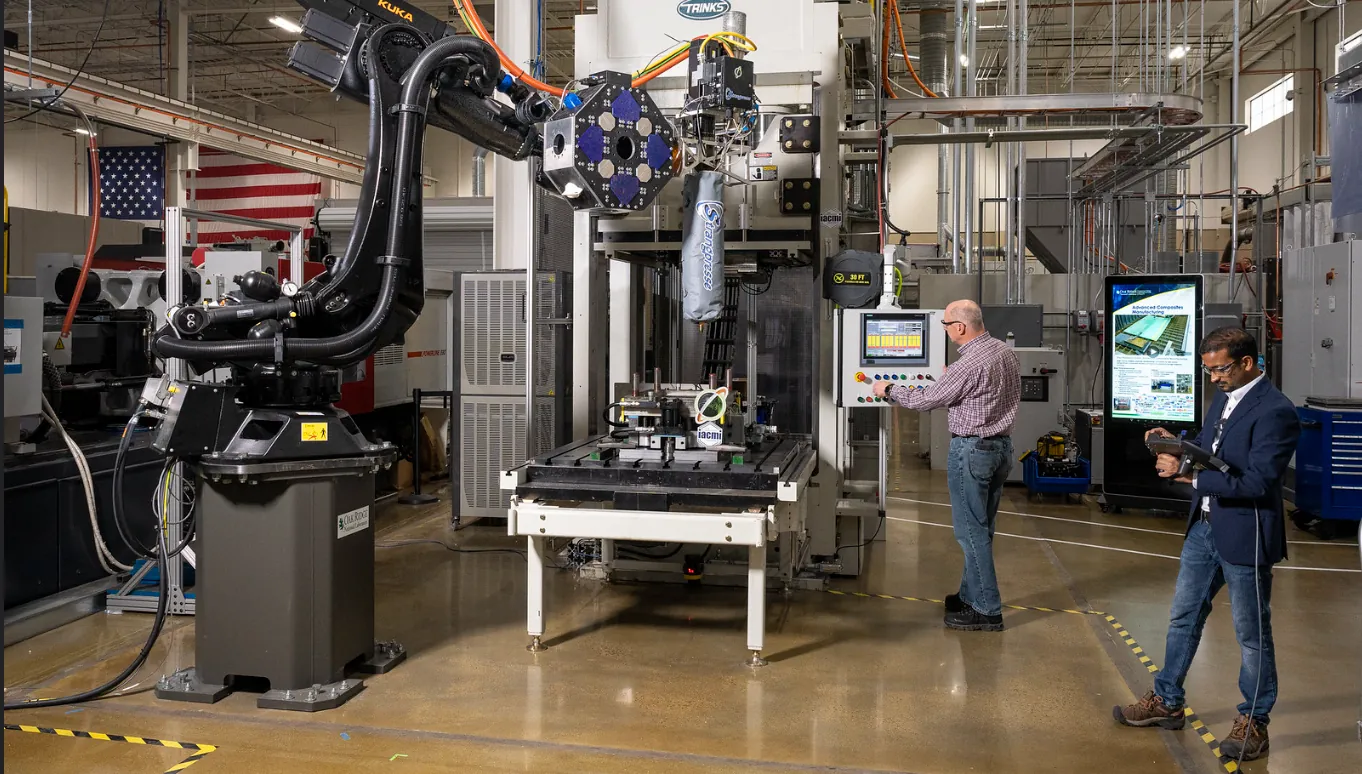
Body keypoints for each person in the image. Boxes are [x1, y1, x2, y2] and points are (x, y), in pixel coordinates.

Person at [1114, 327, 1300, 762]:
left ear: (1247, 363)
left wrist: (1191, 477)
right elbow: (1212, 447)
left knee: (1251, 635)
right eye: (1208, 370)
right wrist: (1178, 446)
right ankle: (1167, 701)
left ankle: (1254, 722)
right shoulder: (1225, 397)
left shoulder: (1276, 411)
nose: (1213, 377)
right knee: (1183, 617)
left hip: (1244, 533)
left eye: (1220, 369)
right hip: (1205, 527)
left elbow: (1258, 481)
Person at [870, 300, 1020, 632]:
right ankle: (969, 594)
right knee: (982, 527)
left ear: (961, 328)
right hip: (1001, 448)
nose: (946, 331)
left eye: (947, 325)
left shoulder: (969, 364)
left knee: (970, 532)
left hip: (973, 450)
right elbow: (979, 394)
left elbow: (926, 400)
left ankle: (987, 609)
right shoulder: (1003, 352)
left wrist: (890, 389)